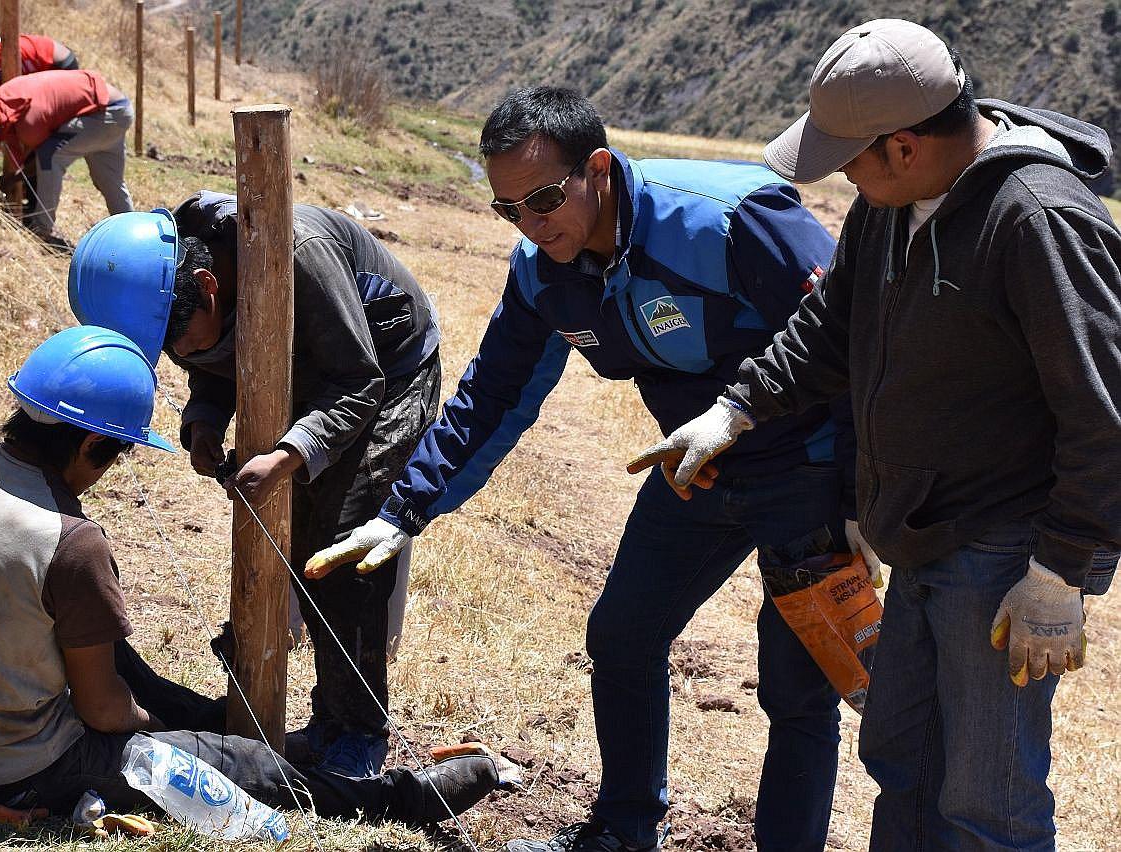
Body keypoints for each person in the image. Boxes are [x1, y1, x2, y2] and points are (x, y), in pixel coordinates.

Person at [309, 87, 854, 852]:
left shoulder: (730, 221)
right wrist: (402, 511)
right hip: (694, 471)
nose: (532, 227)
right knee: (622, 638)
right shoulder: (543, 272)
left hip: (809, 467)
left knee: (797, 686)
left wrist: (862, 501)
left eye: (543, 200)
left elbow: (854, 343)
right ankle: (624, 834)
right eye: (508, 211)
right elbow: (493, 395)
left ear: (597, 169)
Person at [630, 19, 1121, 851]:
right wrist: (735, 409)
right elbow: (832, 324)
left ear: (903, 146)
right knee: (901, 756)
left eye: (849, 158)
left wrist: (1059, 573)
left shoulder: (1036, 218)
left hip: (1005, 550)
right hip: (921, 529)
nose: (842, 176)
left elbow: (1104, 412)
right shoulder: (889, 208)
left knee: (988, 801)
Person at [0, 325, 502, 827]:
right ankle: (403, 801)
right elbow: (103, 712)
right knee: (244, 766)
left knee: (124, 664)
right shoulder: (68, 543)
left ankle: (233, 726)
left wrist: (187, 714)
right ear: (90, 446)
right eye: (114, 456)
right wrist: (170, 736)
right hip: (17, 770)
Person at [66, 200, 442, 779]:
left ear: (208, 285)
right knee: (301, 540)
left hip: (385, 370)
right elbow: (214, 359)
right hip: (308, 366)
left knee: (343, 545)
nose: (177, 354)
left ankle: (358, 732)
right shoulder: (166, 271)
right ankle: (329, 719)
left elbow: (356, 380)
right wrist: (204, 419)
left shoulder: (298, 254)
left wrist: (289, 454)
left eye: (177, 341)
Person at [0, 69, 134, 249]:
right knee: (110, 182)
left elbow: (40, 160)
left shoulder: (29, 125)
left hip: (104, 113)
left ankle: (41, 229)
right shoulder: (6, 95)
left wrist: (12, 180)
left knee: (51, 155)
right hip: (118, 108)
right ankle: (132, 238)